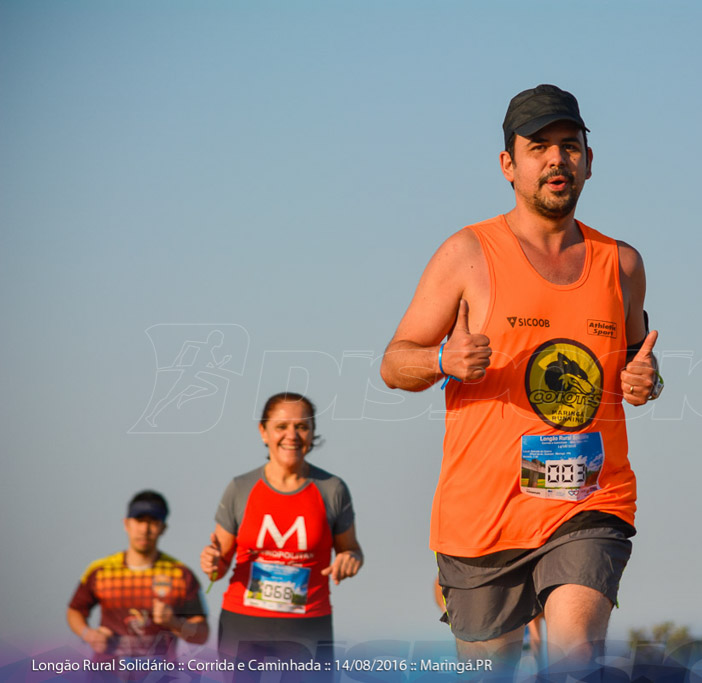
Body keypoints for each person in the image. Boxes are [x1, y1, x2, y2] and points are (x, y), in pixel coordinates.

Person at [381, 84, 662, 671]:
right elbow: (394, 362)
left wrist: (646, 381)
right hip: (481, 516)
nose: (557, 159)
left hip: (589, 499)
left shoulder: (623, 264)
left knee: (575, 653)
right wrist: (441, 361)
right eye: (539, 147)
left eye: (570, 145)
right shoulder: (468, 253)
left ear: (589, 159)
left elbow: (637, 361)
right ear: (509, 165)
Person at [200, 392, 363, 666]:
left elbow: (353, 551)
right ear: (263, 432)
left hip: (309, 625)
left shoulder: (332, 488)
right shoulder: (240, 488)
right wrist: (211, 562)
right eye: (281, 426)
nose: (292, 435)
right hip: (243, 624)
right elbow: (218, 568)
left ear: (312, 434)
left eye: (302, 426)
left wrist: (350, 560)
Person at [67, 490, 209, 667]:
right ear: (126, 524)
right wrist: (89, 635)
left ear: (163, 528)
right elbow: (75, 610)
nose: (145, 529)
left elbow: (202, 633)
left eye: (153, 522)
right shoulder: (100, 571)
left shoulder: (180, 575)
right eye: (139, 520)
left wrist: (174, 622)